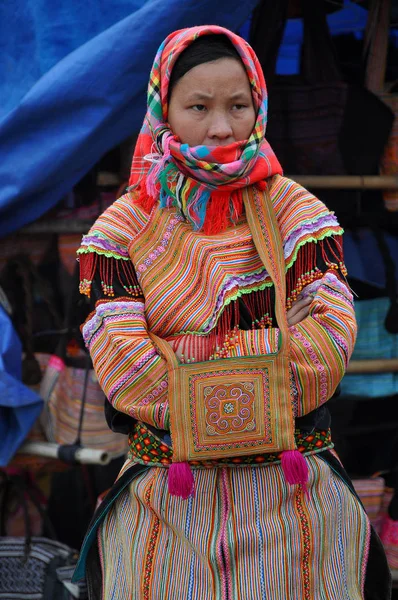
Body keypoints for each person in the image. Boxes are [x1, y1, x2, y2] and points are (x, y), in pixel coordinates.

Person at [73, 25, 391, 600]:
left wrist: (190, 361)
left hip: (292, 502)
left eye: (238, 106)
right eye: (199, 107)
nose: (221, 127)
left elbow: (328, 338)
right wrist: (262, 364)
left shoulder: (297, 211)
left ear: (258, 107)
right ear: (163, 108)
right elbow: (125, 369)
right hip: (169, 505)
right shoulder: (121, 230)